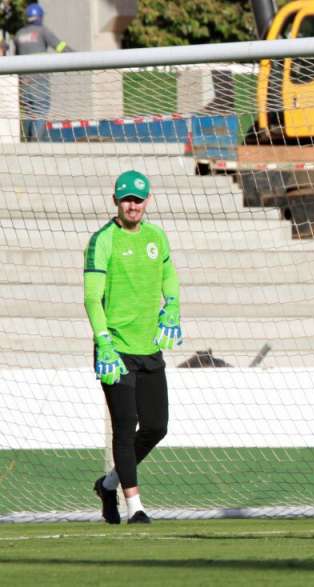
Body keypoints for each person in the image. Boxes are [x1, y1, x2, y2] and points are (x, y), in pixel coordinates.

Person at [84, 170, 183, 524]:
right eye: (126, 199)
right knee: (125, 425)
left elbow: (169, 277)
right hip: (115, 351)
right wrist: (103, 342)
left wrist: (172, 305)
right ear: (116, 201)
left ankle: (108, 484)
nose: (132, 205)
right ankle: (135, 507)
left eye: (138, 200)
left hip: (149, 347)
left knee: (156, 426)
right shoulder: (102, 240)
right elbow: (92, 298)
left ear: (147, 201)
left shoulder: (157, 237)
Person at [13, 3, 72, 141]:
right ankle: (36, 142)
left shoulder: (19, 34)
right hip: (39, 80)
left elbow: (15, 59)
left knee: (28, 112)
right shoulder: (42, 31)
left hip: (23, 82)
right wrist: (79, 57)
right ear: (40, 17)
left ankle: (28, 141)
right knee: (40, 110)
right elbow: (60, 46)